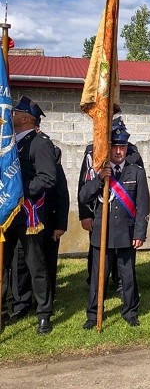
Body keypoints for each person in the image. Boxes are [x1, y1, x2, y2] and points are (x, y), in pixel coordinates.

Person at [79, 127, 150, 329]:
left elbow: (142, 205)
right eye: (115, 147)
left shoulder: (136, 172)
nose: (119, 152)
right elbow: (84, 197)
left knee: (128, 276)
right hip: (102, 234)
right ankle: (93, 314)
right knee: (97, 278)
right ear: (108, 149)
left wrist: (139, 233)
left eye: (123, 147)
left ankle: (130, 312)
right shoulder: (99, 171)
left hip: (126, 235)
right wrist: (99, 179)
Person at [1, 96, 56, 335]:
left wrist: (20, 193)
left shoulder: (39, 143)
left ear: (24, 119)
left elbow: (48, 177)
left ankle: (44, 313)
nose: (9, 116)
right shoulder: (7, 143)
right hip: (6, 213)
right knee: (2, 265)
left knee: (36, 267)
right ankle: (2, 313)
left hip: (27, 214)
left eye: (14, 114)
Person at [10, 118, 69, 319]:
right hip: (13, 215)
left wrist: (61, 223)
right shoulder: (12, 147)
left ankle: (44, 308)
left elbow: (60, 190)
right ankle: (20, 303)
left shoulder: (44, 148)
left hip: (37, 215)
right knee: (18, 265)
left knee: (40, 264)